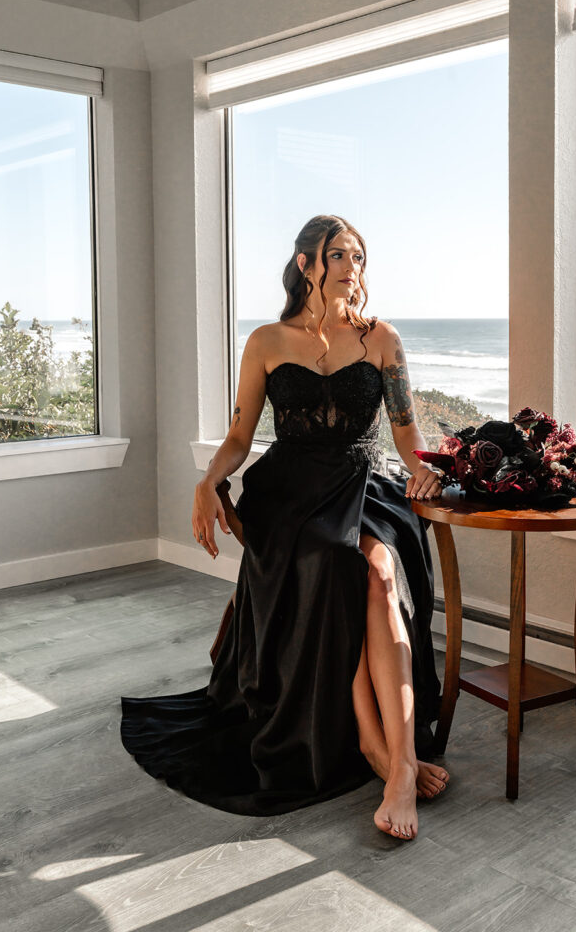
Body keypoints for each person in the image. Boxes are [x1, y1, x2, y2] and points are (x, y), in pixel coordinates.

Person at [120, 214, 447, 841]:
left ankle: (399, 761)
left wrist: (427, 471)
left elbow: (408, 435)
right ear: (307, 265)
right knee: (332, 565)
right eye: (341, 256)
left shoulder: (382, 338)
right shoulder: (267, 341)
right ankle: (380, 754)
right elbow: (240, 435)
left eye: (359, 256)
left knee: (378, 571)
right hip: (288, 493)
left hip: (360, 484)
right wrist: (206, 481)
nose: (354, 268)